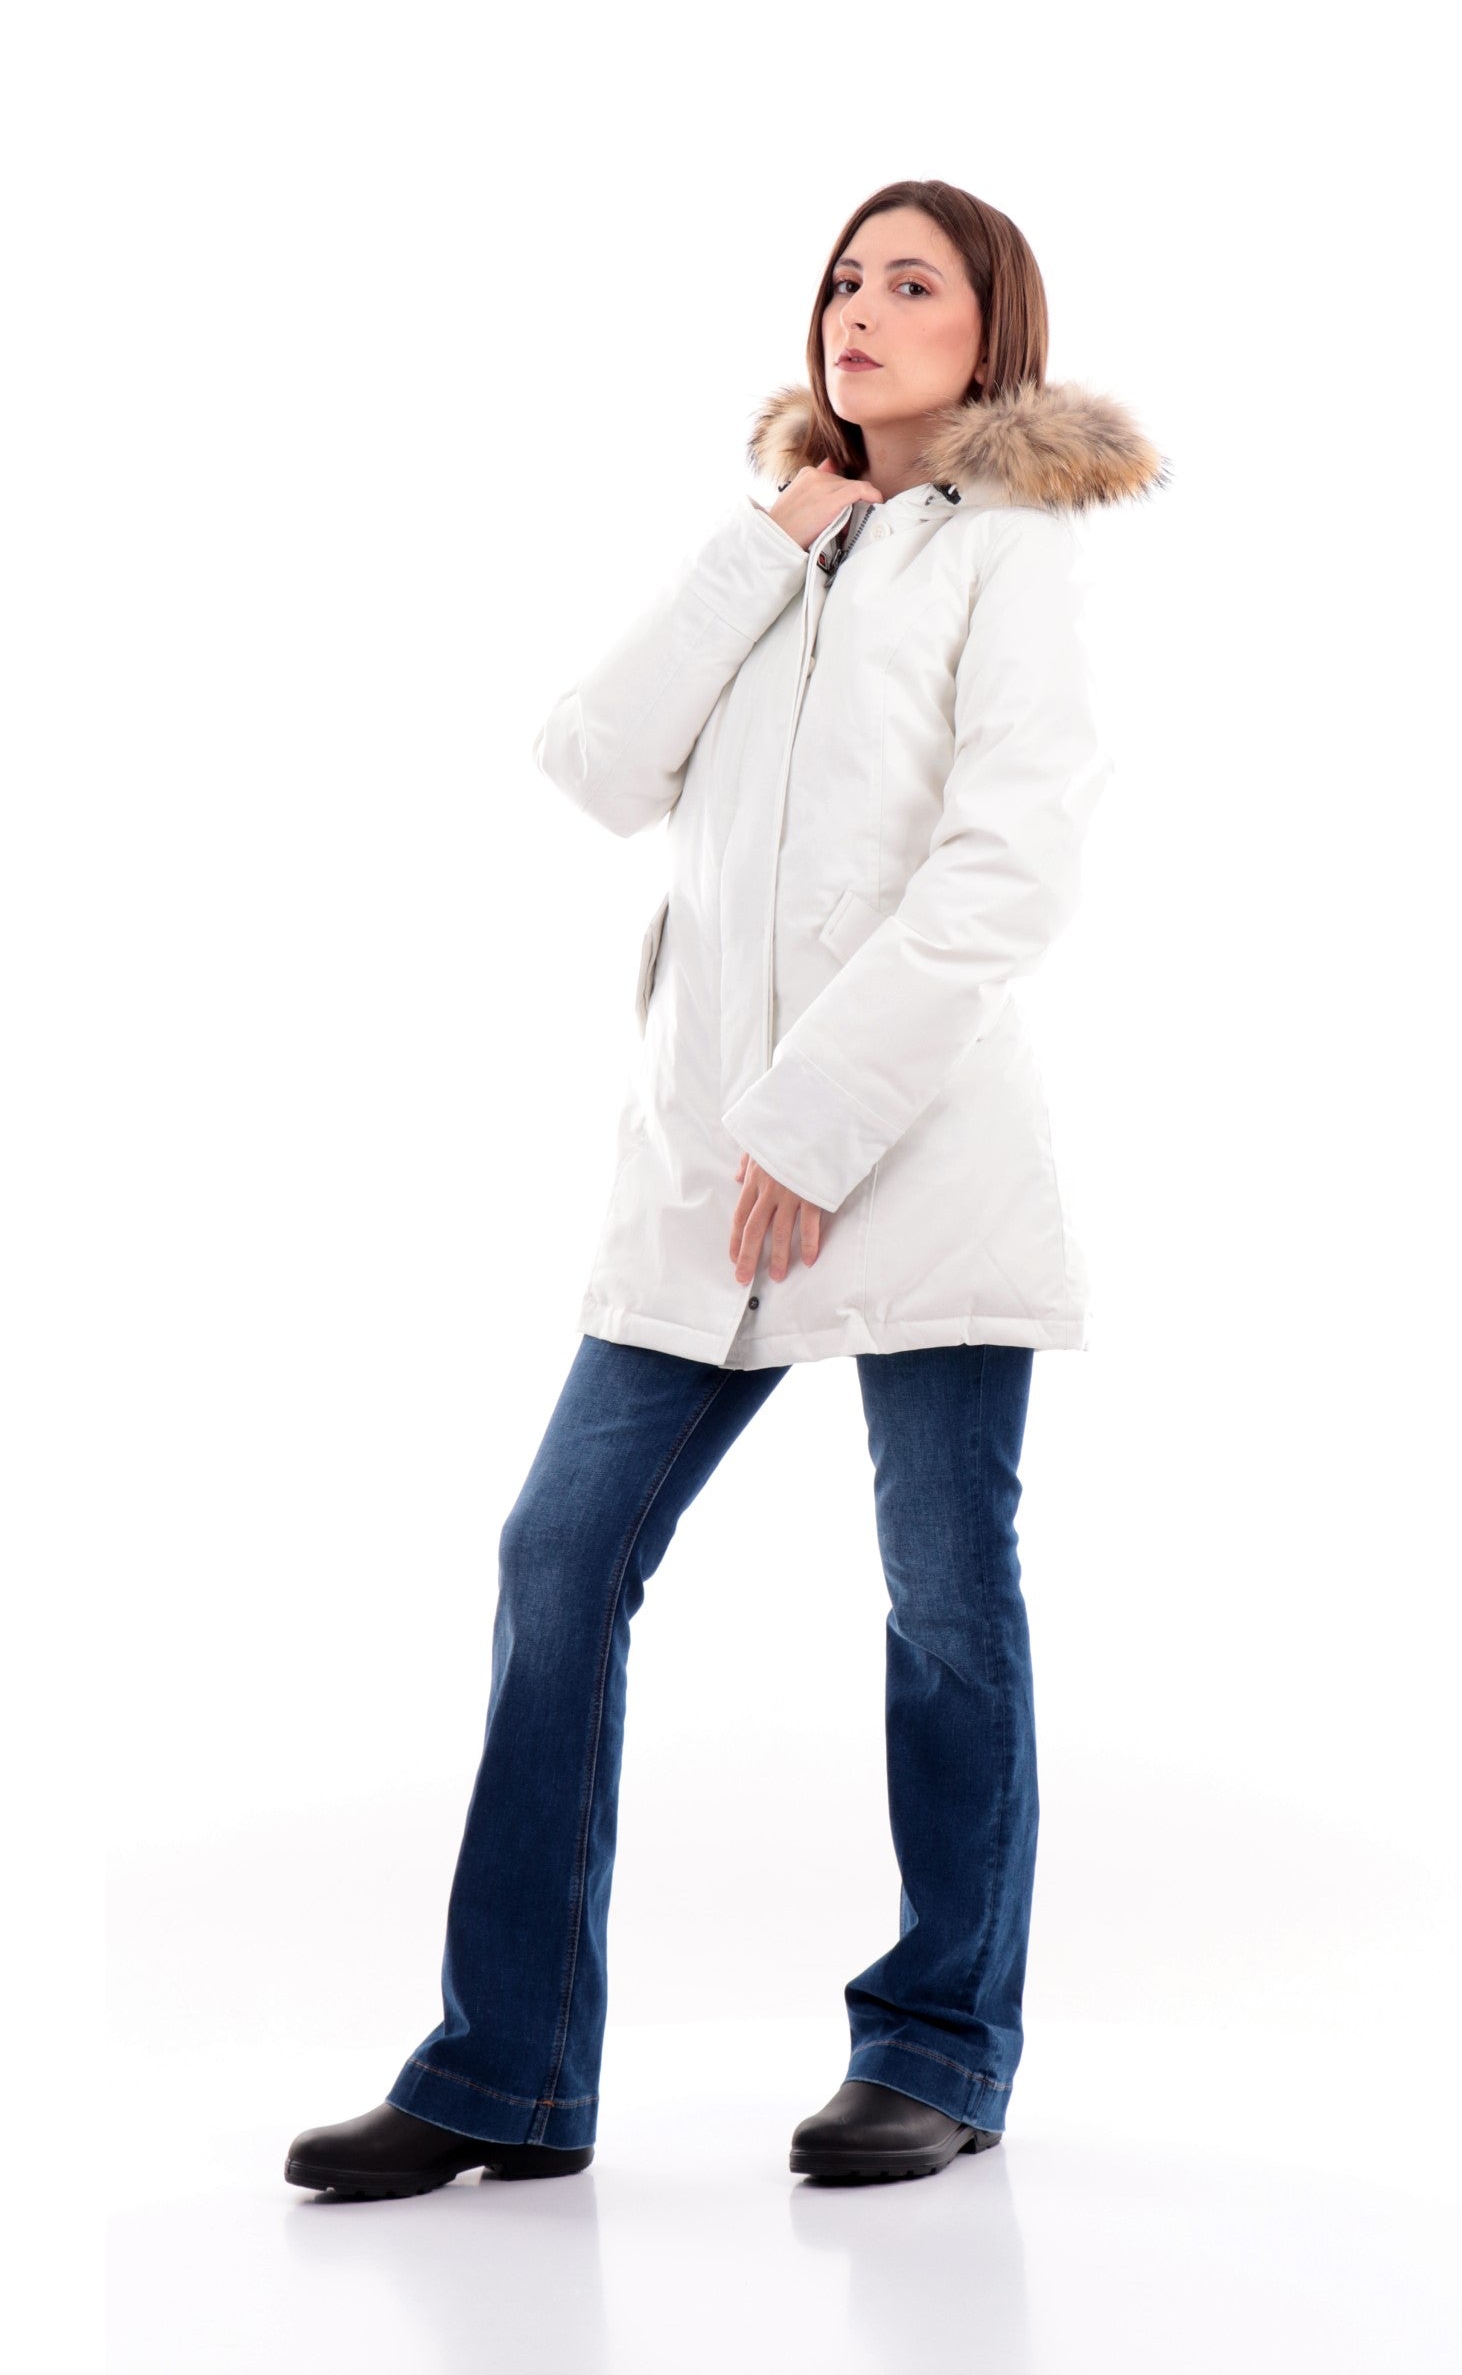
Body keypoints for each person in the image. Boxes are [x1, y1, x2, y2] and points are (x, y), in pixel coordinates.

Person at [284, 179, 1166, 2199]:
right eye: (845, 278)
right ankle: (505, 2070)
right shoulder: (783, 542)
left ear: (992, 329)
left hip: (914, 1153)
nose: (863, 308)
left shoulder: (1015, 555)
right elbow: (596, 763)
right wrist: (763, 542)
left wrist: (819, 1115)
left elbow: (1008, 871)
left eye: (913, 283)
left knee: (946, 1597)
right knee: (557, 1556)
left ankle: (940, 2047)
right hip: (709, 1176)